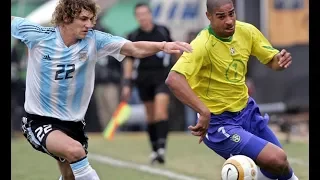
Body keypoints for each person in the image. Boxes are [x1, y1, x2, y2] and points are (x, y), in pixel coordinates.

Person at [11, 0, 192, 179]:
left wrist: (162, 46)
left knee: (70, 176)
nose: (89, 25)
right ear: (66, 17)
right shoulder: (38, 34)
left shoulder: (95, 40)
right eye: (83, 19)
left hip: (73, 124)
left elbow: (134, 48)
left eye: (91, 19)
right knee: (75, 151)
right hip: (39, 121)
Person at [165, 0, 298, 180]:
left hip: (247, 112)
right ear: (209, 17)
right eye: (221, 16)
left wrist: (279, 62)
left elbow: (271, 60)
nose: (229, 20)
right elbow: (174, 79)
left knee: (280, 166)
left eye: (231, 13)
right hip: (220, 123)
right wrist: (203, 111)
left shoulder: (246, 31)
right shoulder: (202, 45)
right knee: (276, 159)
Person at [121, 2, 178, 165]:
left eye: (145, 13)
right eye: (139, 15)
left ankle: (161, 148)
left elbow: (174, 51)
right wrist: (127, 83)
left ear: (150, 14)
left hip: (162, 77)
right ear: (136, 17)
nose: (143, 17)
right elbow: (129, 62)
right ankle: (154, 149)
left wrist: (182, 71)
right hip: (143, 80)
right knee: (151, 116)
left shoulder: (162, 31)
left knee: (161, 112)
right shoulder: (133, 36)